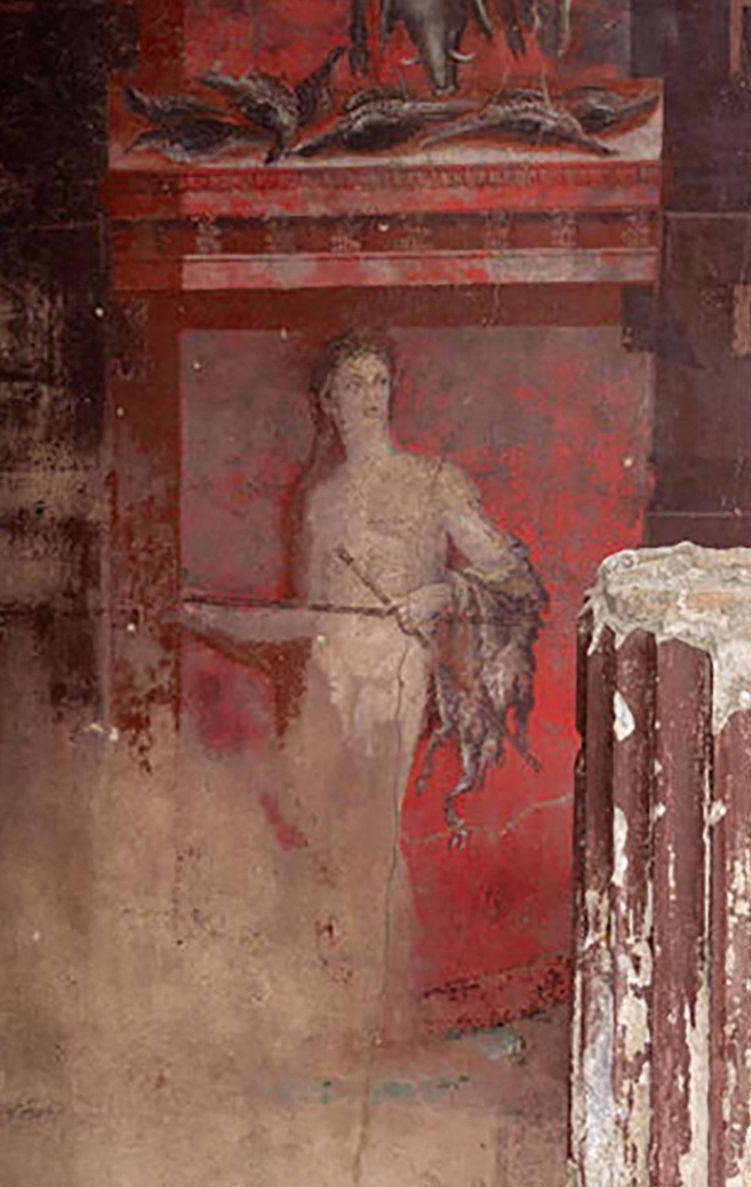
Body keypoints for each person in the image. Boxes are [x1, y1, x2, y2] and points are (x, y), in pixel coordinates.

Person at [182, 329, 544, 1044]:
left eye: (379, 381)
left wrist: (438, 594)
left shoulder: (431, 480)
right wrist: (205, 617)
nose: (370, 397)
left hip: (391, 671)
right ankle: (333, 1010)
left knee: (370, 836)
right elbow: (309, 621)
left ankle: (383, 1020)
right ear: (326, 402)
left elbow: (515, 580)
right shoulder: (319, 501)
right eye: (353, 384)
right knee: (323, 835)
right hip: (327, 676)